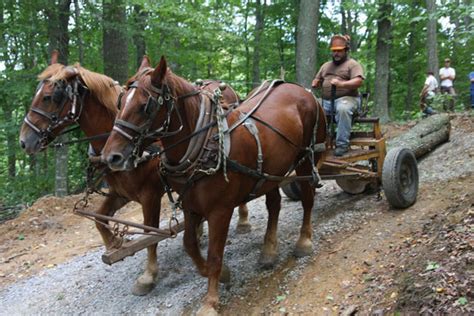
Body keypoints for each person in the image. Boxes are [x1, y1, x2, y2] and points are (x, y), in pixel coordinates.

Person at [311, 34, 364, 156]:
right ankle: (315, 142)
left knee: (343, 109)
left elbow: (358, 81)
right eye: (334, 51)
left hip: (348, 98)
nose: (336, 53)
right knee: (310, 108)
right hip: (326, 101)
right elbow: (317, 79)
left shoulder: (352, 64)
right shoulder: (325, 66)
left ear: (346, 51)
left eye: (339, 51)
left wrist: (341, 84)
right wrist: (316, 82)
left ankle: (342, 145)